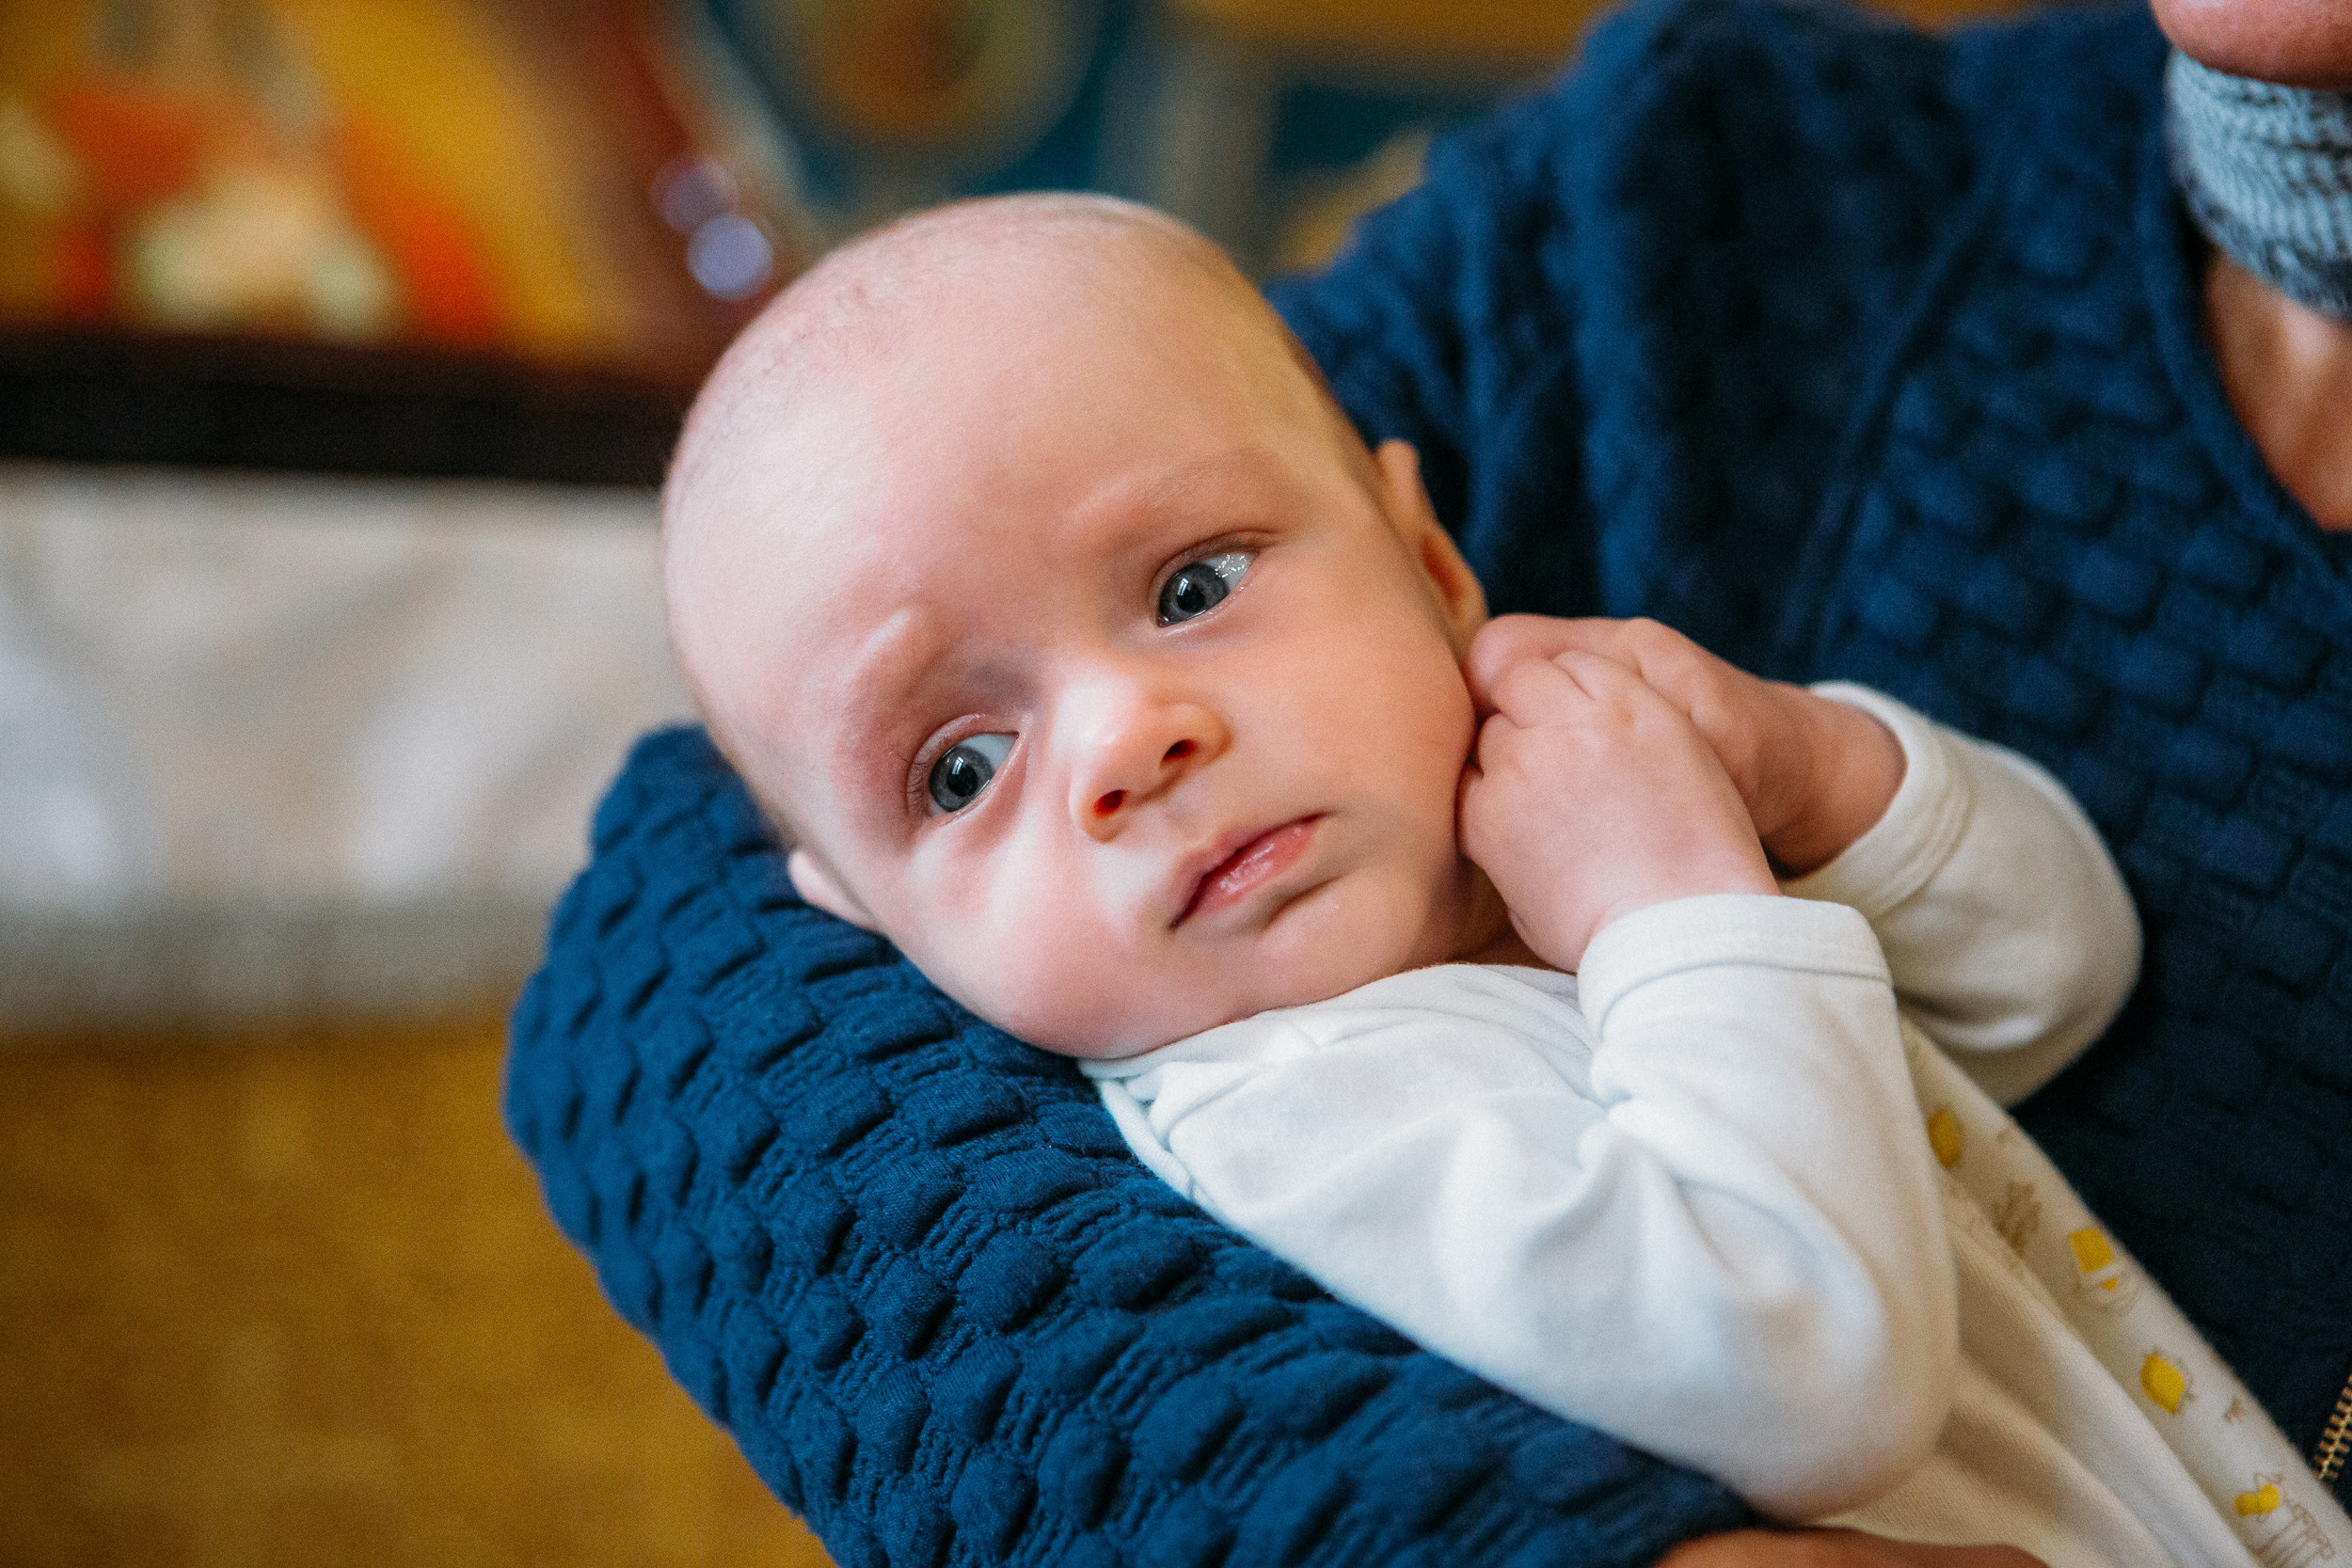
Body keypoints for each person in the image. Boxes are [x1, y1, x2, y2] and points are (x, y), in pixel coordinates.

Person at [510, 0, 2352, 1562]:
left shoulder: (1523, 883)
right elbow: (1810, 1377)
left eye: (1190, 588)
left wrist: (1799, 765)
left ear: (1431, 562)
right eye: (960, 767)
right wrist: (1667, 904)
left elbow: (2059, 967)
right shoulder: (1307, 1124)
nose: (1125, 743)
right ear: (859, 912)